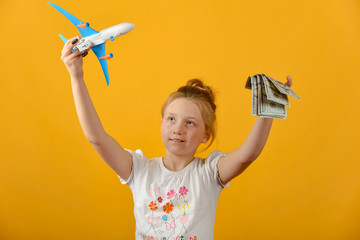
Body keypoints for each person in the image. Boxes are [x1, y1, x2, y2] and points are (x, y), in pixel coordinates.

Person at [60, 36, 293, 240]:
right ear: (161, 124)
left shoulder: (209, 173)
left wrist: (269, 108)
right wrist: (76, 77)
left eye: (190, 123)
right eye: (171, 119)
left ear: (205, 135)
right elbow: (97, 138)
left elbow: (246, 155)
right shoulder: (138, 170)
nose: (178, 128)